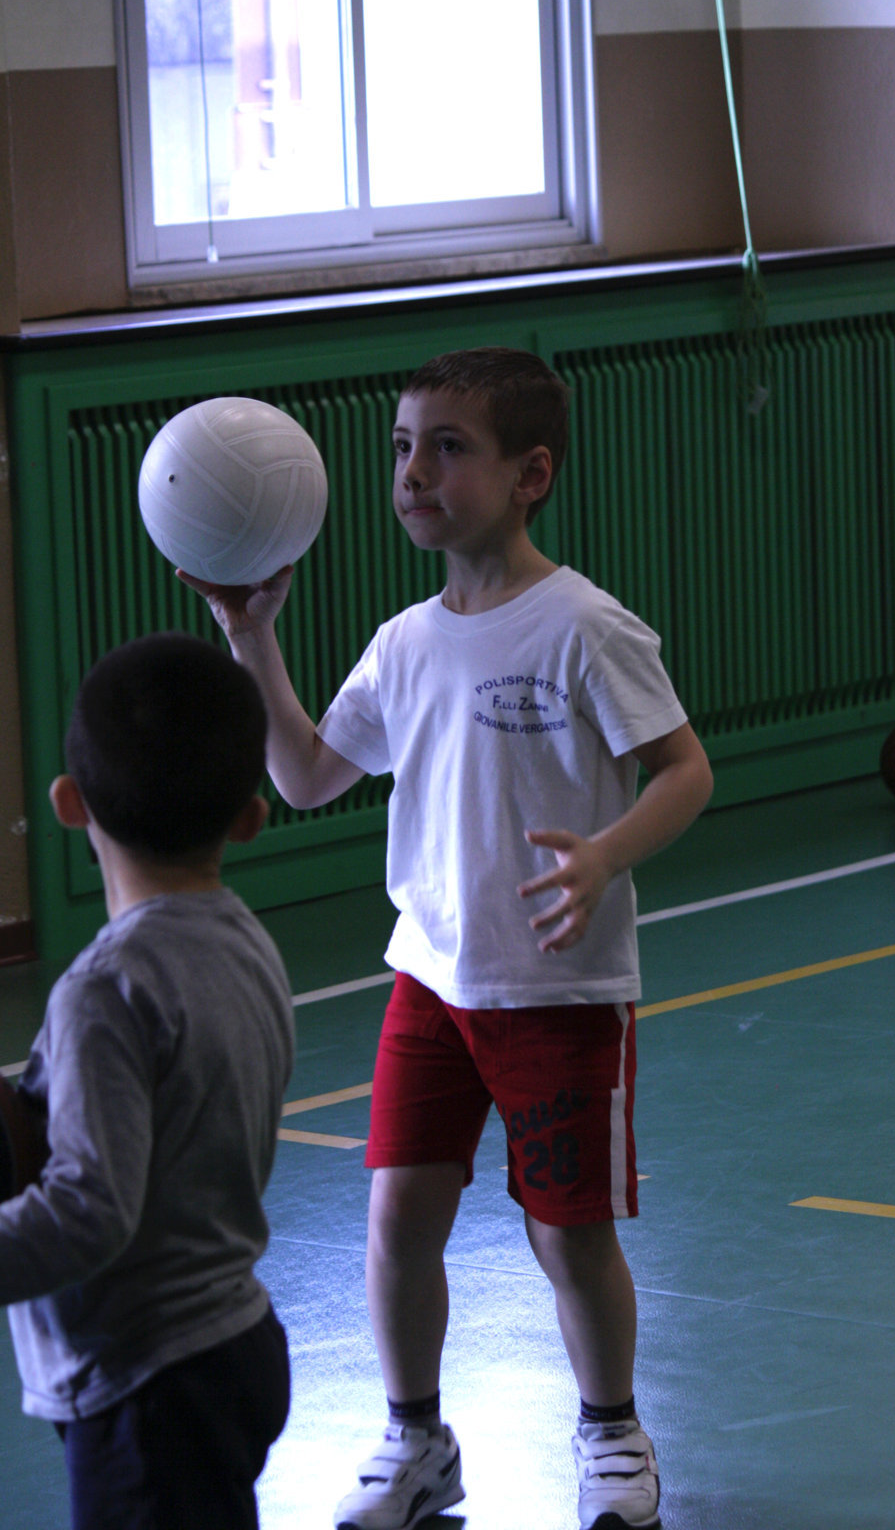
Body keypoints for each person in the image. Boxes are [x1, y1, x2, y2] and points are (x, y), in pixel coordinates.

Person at [183, 346, 714, 1530]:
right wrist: (251, 634)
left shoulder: (584, 626)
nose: (413, 472)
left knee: (569, 1235)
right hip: (428, 983)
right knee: (396, 1220)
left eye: (447, 448)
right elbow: (306, 773)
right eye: (401, 448)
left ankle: (612, 1432)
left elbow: (685, 770)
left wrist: (605, 855)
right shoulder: (404, 642)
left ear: (532, 474)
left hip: (559, 991)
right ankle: (417, 1439)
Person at [0, 632, 295, 1530]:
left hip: (148, 1387)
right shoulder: (249, 944)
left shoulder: (105, 990)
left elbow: (91, 1210)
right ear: (252, 816)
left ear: (68, 803)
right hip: (233, 1342)